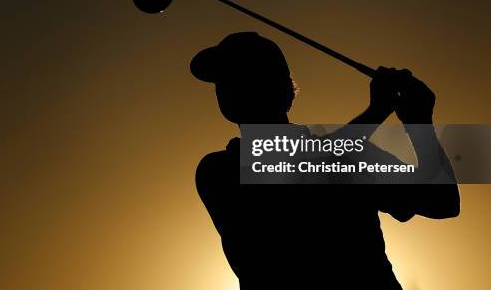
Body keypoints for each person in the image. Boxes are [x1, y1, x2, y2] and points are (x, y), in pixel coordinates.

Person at [191, 32, 460, 290]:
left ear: (279, 86)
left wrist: (419, 122)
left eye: (239, 76)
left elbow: (442, 202)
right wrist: (376, 112)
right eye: (221, 80)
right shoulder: (217, 171)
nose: (225, 87)